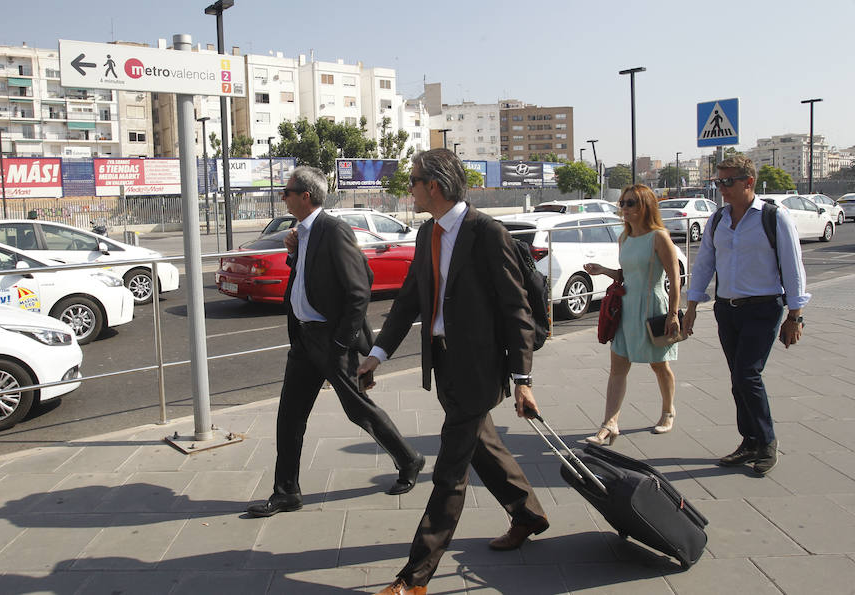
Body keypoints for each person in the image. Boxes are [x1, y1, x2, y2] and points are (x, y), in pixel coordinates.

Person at [358, 149, 548, 595]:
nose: (410, 189)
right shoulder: (427, 234)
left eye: (414, 181)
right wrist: (378, 353)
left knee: (449, 472)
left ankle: (415, 576)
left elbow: (516, 310)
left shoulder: (487, 233)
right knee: (481, 443)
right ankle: (528, 512)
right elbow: (408, 300)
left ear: (435, 187)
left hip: (480, 369)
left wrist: (522, 380)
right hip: (443, 360)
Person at [246, 166, 424, 518]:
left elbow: (360, 289)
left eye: (287, 191)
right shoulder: (301, 234)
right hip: (304, 339)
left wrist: (341, 342)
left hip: (330, 339)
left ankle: (409, 459)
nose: (282, 196)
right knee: (290, 416)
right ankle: (286, 492)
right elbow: (308, 280)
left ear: (305, 196)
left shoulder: (333, 230)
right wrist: (293, 254)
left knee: (358, 408)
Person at [682, 155, 808, 476]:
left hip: (763, 309)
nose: (721, 188)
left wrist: (795, 315)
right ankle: (749, 440)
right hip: (728, 310)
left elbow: (793, 269)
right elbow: (705, 265)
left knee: (747, 375)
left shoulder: (774, 218)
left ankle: (766, 442)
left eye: (727, 182)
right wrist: (692, 308)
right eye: (718, 182)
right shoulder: (718, 219)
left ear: (748, 182)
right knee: (737, 379)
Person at [583, 184, 681, 445]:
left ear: (645, 206)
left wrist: (673, 315)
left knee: (659, 365)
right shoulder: (624, 238)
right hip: (626, 309)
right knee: (618, 368)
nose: (624, 208)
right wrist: (603, 270)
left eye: (630, 203)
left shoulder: (659, 237)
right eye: (623, 203)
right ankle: (609, 424)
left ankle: (668, 411)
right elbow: (626, 275)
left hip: (652, 308)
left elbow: (675, 278)